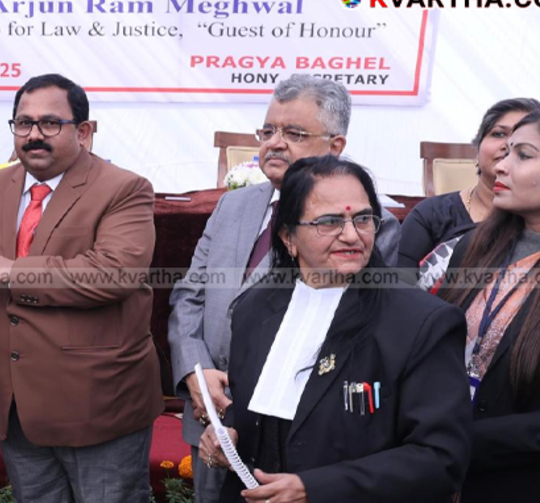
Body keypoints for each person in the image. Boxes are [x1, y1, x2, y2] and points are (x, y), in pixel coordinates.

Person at [167, 74, 401, 501]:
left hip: (287, 434)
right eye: (268, 130)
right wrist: (194, 375)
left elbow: (343, 337)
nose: (275, 143)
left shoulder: (364, 227)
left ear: (335, 147)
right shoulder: (233, 204)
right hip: (206, 418)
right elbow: (189, 295)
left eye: (294, 133)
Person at [201, 155, 471, 503]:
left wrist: (315, 489)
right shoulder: (254, 309)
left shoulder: (421, 322)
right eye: (329, 222)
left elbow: (442, 458)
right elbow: (251, 411)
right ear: (288, 237)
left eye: (362, 219)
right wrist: (225, 436)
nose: (351, 235)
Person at [0, 73, 162, 503]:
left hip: (97, 404)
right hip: (16, 403)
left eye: (50, 123)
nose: (34, 135)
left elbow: (114, 273)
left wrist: (13, 272)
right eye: (23, 123)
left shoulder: (124, 188)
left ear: (84, 131)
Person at [439, 108, 540, 502]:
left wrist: (460, 440)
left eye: (524, 155)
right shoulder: (472, 245)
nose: (502, 165)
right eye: (505, 150)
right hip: (442, 472)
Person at [399, 98, 540, 289]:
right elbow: (397, 287)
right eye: (499, 133)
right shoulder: (432, 214)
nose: (509, 144)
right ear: (477, 148)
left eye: (522, 140)